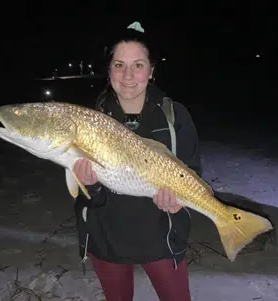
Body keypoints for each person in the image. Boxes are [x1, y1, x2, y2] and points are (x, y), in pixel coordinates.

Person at [74, 21, 202, 301]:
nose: (128, 75)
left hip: (162, 239)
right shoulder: (89, 120)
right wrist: (91, 186)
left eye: (138, 65)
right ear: (109, 71)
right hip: (107, 238)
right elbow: (85, 198)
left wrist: (178, 201)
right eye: (119, 65)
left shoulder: (174, 116)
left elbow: (192, 172)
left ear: (152, 70)